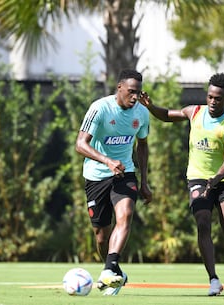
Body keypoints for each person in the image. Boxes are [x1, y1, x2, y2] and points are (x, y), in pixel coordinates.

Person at [139, 73, 224, 296]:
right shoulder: (195, 112)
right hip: (198, 177)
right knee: (203, 222)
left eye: (218, 98)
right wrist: (151, 106)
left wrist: (216, 179)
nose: (212, 101)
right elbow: (167, 115)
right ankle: (213, 279)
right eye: (210, 96)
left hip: (223, 179)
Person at [76, 69, 152, 296]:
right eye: (131, 92)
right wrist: (107, 161)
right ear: (119, 88)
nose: (135, 97)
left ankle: (109, 268)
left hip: (125, 173)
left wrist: (145, 181)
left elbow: (143, 145)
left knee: (126, 214)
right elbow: (80, 144)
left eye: (138, 92)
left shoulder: (142, 113)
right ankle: (113, 269)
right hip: (96, 175)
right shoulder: (100, 108)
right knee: (101, 235)